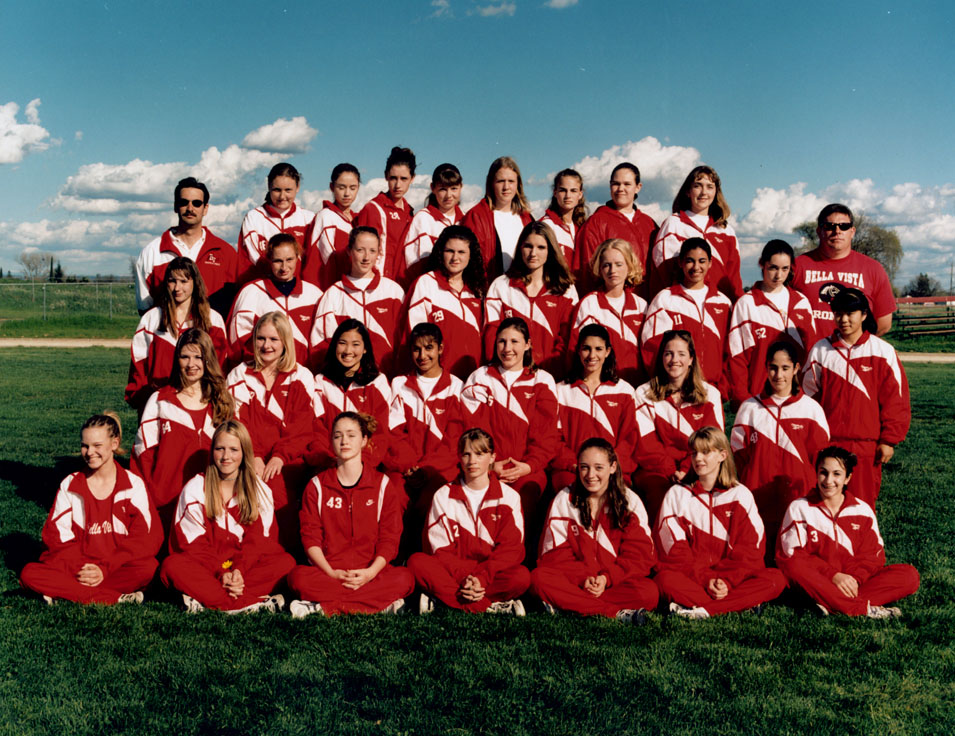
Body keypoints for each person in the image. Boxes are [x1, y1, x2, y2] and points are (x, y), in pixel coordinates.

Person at [21, 413, 161, 605]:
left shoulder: (132, 484)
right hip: (78, 569)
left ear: (114, 443)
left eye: (97, 446)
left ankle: (67, 592)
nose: (89, 452)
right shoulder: (70, 484)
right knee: (30, 573)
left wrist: (104, 569)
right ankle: (114, 598)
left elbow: (145, 537)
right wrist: (84, 570)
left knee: (148, 568)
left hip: (116, 566)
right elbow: (56, 539)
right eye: (85, 446)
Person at [160, 420, 294, 613]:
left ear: (244, 452)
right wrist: (221, 573)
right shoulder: (195, 489)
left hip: (245, 570)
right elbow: (194, 546)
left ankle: (210, 600)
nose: (226, 457)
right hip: (208, 569)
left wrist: (239, 570)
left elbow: (259, 542)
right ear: (212, 451)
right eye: (220, 449)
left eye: (233, 450)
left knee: (286, 562)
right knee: (171, 566)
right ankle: (246, 603)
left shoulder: (259, 490)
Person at [288, 412, 414, 617]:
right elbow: (310, 538)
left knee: (405, 578)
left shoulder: (382, 484)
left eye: (351, 435)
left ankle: (324, 608)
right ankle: (379, 605)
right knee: (297, 578)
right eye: (337, 436)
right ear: (331, 441)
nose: (344, 441)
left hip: (370, 572)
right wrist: (331, 573)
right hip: (330, 572)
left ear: (364, 440)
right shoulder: (317, 486)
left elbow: (390, 538)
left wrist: (370, 573)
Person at [654, 427, 787, 619]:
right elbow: (674, 552)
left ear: (722, 455)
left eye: (706, 452)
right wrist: (707, 580)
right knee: (664, 580)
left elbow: (750, 550)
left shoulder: (741, 495)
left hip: (734, 580)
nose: (698, 458)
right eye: (694, 452)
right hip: (694, 580)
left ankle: (704, 610)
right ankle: (739, 604)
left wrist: (727, 580)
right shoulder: (677, 494)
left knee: (775, 578)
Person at [776, 446, 919, 618]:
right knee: (794, 566)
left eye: (837, 474)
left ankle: (829, 604)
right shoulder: (799, 507)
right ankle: (861, 609)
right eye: (823, 472)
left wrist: (854, 579)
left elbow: (873, 556)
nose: (828, 480)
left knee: (909, 575)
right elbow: (792, 557)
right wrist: (833, 576)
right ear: (816, 473)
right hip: (818, 581)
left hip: (852, 583)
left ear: (847, 478)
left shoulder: (862, 510)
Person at [802, 287, 910, 510]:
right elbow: (807, 399)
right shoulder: (821, 351)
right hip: (828, 444)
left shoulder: (883, 352)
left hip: (865, 447)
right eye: (838, 313)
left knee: (860, 508)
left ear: (864, 315)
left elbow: (896, 400)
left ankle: (864, 546)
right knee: (823, 505)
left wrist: (889, 440)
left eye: (850, 313)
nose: (843, 319)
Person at [407, 428, 530, 615]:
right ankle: (489, 607)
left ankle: (445, 602)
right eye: (466, 454)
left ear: (492, 457)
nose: (472, 461)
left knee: (521, 577)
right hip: (454, 572)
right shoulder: (443, 495)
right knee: (417, 563)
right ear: (459, 457)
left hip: (490, 572)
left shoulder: (509, 497)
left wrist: (481, 578)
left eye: (480, 454)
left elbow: (510, 549)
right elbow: (439, 550)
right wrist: (466, 578)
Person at [532, 438, 657, 622]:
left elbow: (639, 555)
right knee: (538, 578)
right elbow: (554, 556)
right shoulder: (564, 499)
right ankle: (616, 614)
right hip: (577, 582)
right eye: (584, 467)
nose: (590, 475)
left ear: (612, 467)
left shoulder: (629, 501)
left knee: (649, 592)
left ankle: (571, 606)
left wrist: (606, 579)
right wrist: (584, 579)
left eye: (598, 467)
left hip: (613, 583)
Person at [227, 312, 319, 549]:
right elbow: (236, 422)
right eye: (261, 338)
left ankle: (281, 552)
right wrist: (253, 455)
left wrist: (280, 456)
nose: (266, 345)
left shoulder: (301, 375)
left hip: (288, 459)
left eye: (273, 339)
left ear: (285, 342)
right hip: (248, 457)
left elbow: (303, 427)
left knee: (277, 487)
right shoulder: (239, 374)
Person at [730, 341, 830, 553]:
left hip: (797, 497)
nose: (778, 375)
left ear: (795, 368)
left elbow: (819, 458)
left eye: (785, 368)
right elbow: (738, 455)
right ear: (766, 368)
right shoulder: (749, 408)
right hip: (758, 497)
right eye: (773, 368)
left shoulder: (811, 410)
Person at [461, 317, 559, 530]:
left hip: (527, 469)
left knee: (524, 500)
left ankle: (522, 558)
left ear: (527, 345)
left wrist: (528, 466)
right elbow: (473, 431)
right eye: (502, 342)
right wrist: (488, 465)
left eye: (514, 342)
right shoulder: (480, 377)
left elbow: (546, 436)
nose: (507, 348)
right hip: (485, 467)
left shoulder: (542, 380)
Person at [132, 328, 235, 530]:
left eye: (198, 357)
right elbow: (142, 454)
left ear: (208, 359)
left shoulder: (222, 402)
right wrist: (153, 494)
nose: (191, 364)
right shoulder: (160, 401)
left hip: (210, 503)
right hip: (166, 503)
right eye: (184, 357)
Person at [633, 330, 723, 522]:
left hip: (700, 466)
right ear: (661, 358)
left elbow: (712, 441)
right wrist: (671, 471)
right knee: (662, 497)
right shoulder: (643, 393)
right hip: (658, 472)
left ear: (691, 359)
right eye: (668, 353)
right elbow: (646, 445)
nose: (674, 360)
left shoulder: (710, 394)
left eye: (681, 354)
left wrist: (688, 469)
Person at [384, 323, 466, 521]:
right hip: (404, 469)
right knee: (391, 495)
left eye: (429, 348)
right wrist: (410, 467)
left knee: (432, 501)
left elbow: (454, 439)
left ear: (440, 348)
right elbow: (393, 433)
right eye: (416, 349)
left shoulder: (456, 387)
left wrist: (426, 470)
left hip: (440, 470)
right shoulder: (399, 384)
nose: (422, 356)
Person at [126, 257, 229, 414]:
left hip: (200, 402)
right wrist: (146, 401)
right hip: (160, 404)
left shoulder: (212, 320)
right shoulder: (152, 319)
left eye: (183, 281)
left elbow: (220, 365)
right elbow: (139, 367)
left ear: (195, 282)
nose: (177, 288)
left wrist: (213, 396)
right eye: (172, 281)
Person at [726, 240, 816, 408]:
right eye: (773, 268)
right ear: (762, 264)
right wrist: (743, 399)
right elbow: (737, 357)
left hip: (797, 398)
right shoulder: (747, 303)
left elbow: (811, 353)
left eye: (785, 269)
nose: (778, 275)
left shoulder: (801, 302)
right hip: (760, 398)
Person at [483, 221, 578, 377]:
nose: (533, 253)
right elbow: (491, 335)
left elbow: (566, 339)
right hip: (508, 375)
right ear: (520, 248)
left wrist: (551, 372)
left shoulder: (566, 290)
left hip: (551, 377)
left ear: (551, 251)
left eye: (541, 247)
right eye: (528, 246)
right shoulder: (501, 286)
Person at [134, 176, 238, 317]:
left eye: (196, 203)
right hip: (168, 336)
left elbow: (233, 307)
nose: (190, 208)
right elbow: (146, 310)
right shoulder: (152, 253)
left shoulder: (226, 253)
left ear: (205, 208)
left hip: (210, 337)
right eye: (184, 202)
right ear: (176, 206)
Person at [552, 324, 638, 491]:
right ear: (578, 351)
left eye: (598, 349)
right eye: (586, 348)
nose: (592, 355)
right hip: (572, 470)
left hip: (611, 470)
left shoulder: (624, 391)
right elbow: (554, 439)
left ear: (607, 352)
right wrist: (577, 465)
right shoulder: (561, 390)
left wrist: (606, 467)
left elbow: (630, 439)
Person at [641, 237, 732, 394]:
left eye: (702, 261)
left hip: (713, 391)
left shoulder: (723, 303)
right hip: (676, 389)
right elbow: (651, 346)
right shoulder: (665, 299)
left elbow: (730, 350)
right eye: (690, 261)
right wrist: (669, 384)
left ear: (710, 263)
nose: (696, 267)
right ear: (680, 262)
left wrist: (723, 388)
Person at [309, 226, 404, 374]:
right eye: (360, 250)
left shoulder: (394, 292)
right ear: (349, 251)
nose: (366, 257)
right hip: (346, 383)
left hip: (386, 381)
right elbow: (320, 343)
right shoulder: (333, 294)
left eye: (372, 251)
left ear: (379, 253)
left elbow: (403, 341)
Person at [792, 203, 896, 336]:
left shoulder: (873, 269)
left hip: (852, 355)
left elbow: (883, 323)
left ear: (852, 232)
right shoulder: (798, 266)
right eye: (829, 226)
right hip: (808, 354)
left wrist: (854, 347)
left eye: (844, 226)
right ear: (819, 231)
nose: (837, 231)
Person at [403, 225, 487, 379]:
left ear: (471, 255)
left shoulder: (477, 291)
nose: (455, 258)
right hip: (438, 381)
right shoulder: (426, 283)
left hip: (472, 379)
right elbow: (412, 336)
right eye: (450, 251)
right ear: (441, 253)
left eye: (461, 252)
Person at [227, 233, 323, 367]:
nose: (284, 267)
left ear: (297, 257)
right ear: (269, 260)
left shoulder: (314, 294)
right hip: (263, 374)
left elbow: (321, 340)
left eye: (289, 259)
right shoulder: (251, 292)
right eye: (278, 261)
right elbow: (237, 342)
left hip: (303, 376)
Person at [309, 319, 392, 471]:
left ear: (365, 348)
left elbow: (380, 434)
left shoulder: (378, 382)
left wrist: (360, 465)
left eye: (355, 344)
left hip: (366, 467)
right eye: (342, 343)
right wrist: (329, 461)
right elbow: (317, 430)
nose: (348, 351)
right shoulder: (321, 382)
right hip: (328, 466)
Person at [650, 165, 742, 301]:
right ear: (688, 191)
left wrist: (736, 304)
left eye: (710, 187)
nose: (704, 192)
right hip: (682, 304)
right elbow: (662, 272)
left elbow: (733, 276)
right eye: (698, 186)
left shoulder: (726, 230)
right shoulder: (673, 224)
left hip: (719, 305)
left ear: (716, 192)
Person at [569, 238, 648, 385]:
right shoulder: (589, 305)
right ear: (599, 268)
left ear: (629, 266)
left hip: (637, 387)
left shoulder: (642, 306)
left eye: (619, 264)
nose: (613, 270)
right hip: (603, 387)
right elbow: (575, 351)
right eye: (607, 265)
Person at [574, 162, 657, 294]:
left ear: (638, 187)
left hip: (647, 302)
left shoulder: (649, 224)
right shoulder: (596, 222)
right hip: (613, 301)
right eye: (616, 184)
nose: (620, 189)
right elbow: (587, 271)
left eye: (627, 184)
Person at [236, 163, 315, 284]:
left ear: (297, 187)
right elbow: (253, 259)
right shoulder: (254, 218)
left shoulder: (309, 219)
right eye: (277, 190)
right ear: (268, 186)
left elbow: (312, 262)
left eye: (288, 190)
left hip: (298, 291)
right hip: (264, 290)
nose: (282, 196)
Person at [461, 156, 534, 280]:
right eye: (500, 181)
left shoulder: (527, 218)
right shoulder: (476, 216)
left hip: (521, 289)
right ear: (491, 183)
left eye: (511, 181)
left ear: (518, 184)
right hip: (489, 290)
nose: (506, 187)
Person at [354, 146, 417, 280]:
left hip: (402, 286)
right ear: (386, 176)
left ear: (412, 178)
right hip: (378, 285)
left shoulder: (410, 213)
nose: (398, 185)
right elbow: (362, 253)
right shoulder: (373, 209)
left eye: (404, 179)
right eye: (393, 178)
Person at [398, 162, 464, 287]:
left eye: (454, 188)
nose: (449, 195)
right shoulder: (423, 219)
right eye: (443, 189)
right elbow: (416, 265)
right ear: (433, 188)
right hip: (433, 288)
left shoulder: (465, 220)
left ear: (461, 187)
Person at [302, 162, 361, 289]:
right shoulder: (325, 217)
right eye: (341, 187)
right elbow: (319, 261)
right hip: (332, 288)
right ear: (331, 187)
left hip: (353, 289)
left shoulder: (358, 220)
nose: (347, 193)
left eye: (352, 188)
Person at [539, 168, 587, 268]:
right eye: (563, 190)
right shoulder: (546, 225)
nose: (568, 196)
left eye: (573, 191)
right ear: (555, 193)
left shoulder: (582, 226)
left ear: (580, 194)